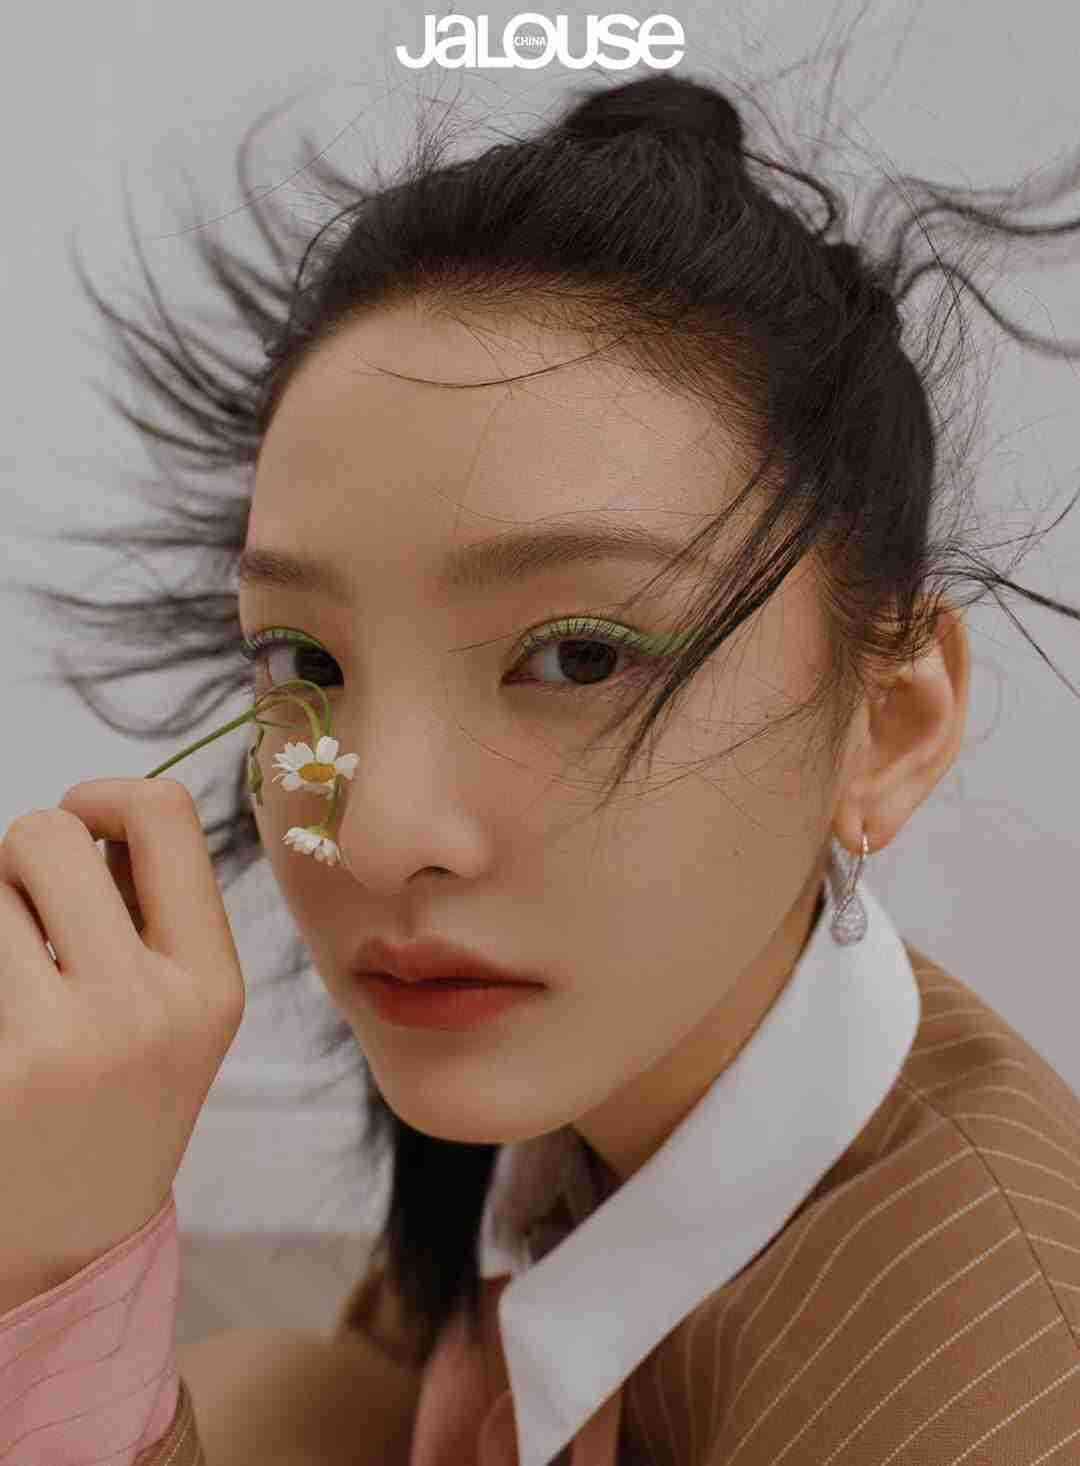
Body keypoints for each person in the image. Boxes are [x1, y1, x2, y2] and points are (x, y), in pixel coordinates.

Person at [4, 52, 1080, 1466]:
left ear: (889, 724)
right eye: (305, 660)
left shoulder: (980, 1386)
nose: (378, 832)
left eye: (578, 656)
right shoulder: (596, 1064)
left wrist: (63, 1284)